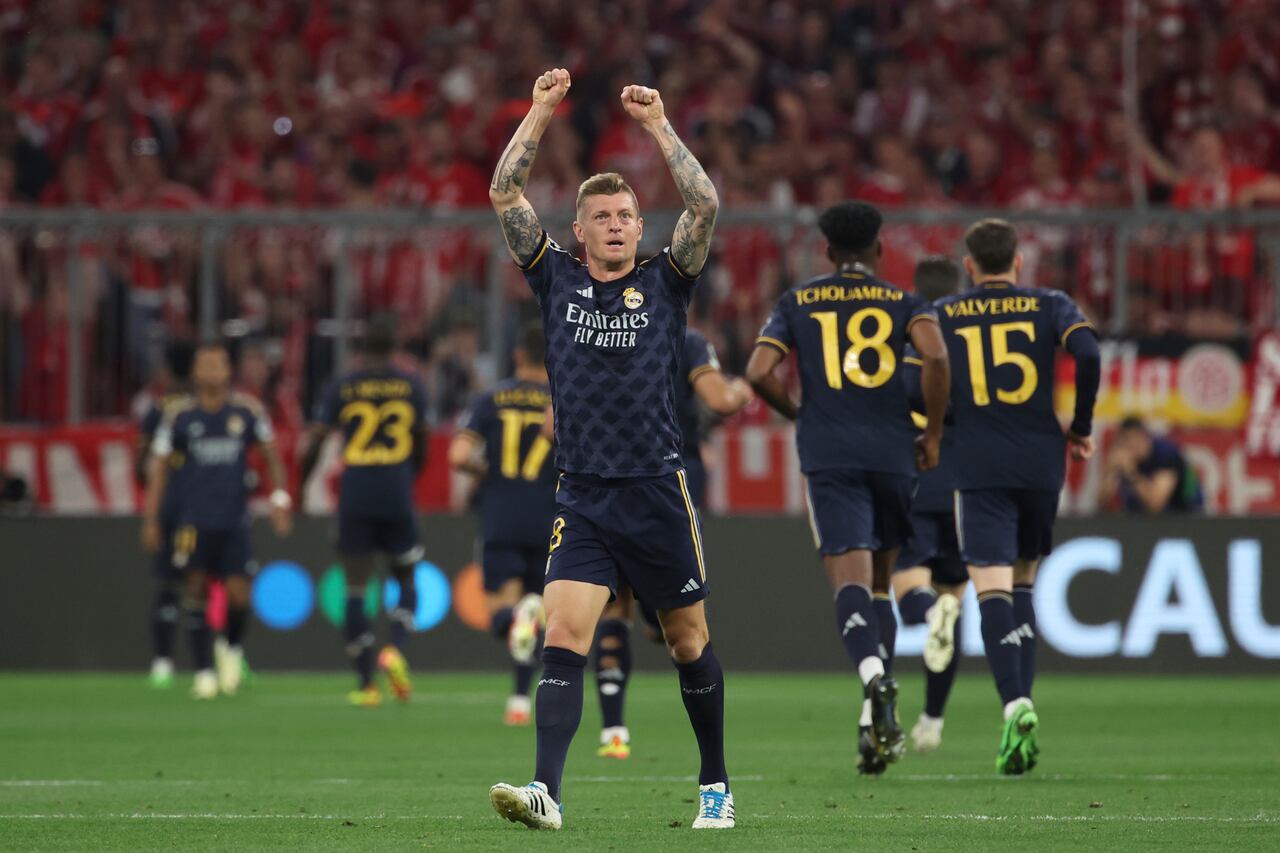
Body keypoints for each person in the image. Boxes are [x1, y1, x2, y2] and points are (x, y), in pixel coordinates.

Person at [486, 68, 733, 831]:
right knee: (563, 632)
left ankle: (716, 784)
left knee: (687, 640)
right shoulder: (552, 277)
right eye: (604, 216)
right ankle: (547, 793)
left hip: (657, 487)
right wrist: (539, 111)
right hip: (583, 493)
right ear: (582, 229)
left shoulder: (667, 282)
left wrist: (660, 127)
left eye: (628, 213)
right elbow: (504, 193)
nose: (621, 225)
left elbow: (705, 204)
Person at [746, 200, 950, 777]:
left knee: (848, 580)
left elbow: (759, 371)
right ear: (880, 249)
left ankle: (873, 680)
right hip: (893, 455)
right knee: (882, 583)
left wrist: (797, 414)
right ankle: (872, 728)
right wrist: (931, 432)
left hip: (831, 455)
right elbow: (935, 356)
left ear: (829, 253)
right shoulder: (905, 302)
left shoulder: (798, 301)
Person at [934, 219, 1101, 775]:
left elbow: (920, 378)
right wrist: (1080, 425)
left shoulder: (946, 314)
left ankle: (1015, 702)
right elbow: (1091, 353)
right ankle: (1023, 713)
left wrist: (940, 423)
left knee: (991, 588)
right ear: (1019, 262)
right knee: (1024, 578)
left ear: (969, 266)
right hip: (1040, 462)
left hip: (979, 464)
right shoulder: (1051, 303)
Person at [593, 326, 753, 761]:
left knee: (613, 606)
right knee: (670, 623)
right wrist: (744, 388)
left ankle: (613, 729)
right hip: (666, 482)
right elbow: (720, 399)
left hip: (601, 481)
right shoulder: (685, 338)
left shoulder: (592, 329)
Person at [142, 342, 292, 699]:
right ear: (195, 373)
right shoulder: (179, 416)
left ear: (228, 372)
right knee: (194, 590)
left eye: (218, 365)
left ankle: (231, 648)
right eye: (205, 365)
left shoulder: (248, 412)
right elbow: (160, 469)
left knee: (240, 596)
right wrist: (151, 519)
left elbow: (272, 457)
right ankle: (204, 672)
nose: (212, 371)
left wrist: (279, 499)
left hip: (234, 519)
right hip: (192, 520)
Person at [299, 315, 430, 707]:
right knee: (405, 577)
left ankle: (366, 683)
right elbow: (421, 443)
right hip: (394, 487)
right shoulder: (411, 385)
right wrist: (406, 477)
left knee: (356, 584)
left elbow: (317, 441)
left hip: (356, 489)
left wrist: (300, 484)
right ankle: (396, 646)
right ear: (393, 351)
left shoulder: (343, 384)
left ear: (360, 350)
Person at [448, 322, 557, 727]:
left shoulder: (490, 398)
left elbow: (457, 456)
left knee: (505, 617)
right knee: (536, 612)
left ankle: (516, 689)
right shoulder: (560, 398)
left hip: (502, 513)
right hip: (550, 512)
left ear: (516, 355)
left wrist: (482, 471)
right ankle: (518, 699)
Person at [891, 257, 966, 755]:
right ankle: (933, 720)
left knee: (907, 590)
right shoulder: (975, 340)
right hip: (969, 486)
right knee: (953, 604)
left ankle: (928, 609)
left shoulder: (911, 341)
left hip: (917, 475)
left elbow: (897, 400)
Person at [136, 339, 195, 689]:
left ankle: (162, 662)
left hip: (170, 504)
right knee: (208, 584)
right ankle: (221, 655)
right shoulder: (204, 407)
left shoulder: (158, 409)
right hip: (204, 507)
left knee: (168, 587)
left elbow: (141, 462)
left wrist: (153, 510)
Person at [1100, 416, 1204, 514]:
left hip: (1183, 516)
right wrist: (1111, 471)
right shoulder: (1125, 458)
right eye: (1122, 442)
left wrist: (1131, 472)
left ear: (1143, 437)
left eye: (1130, 440)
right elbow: (1101, 502)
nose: (1127, 446)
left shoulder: (1166, 454)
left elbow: (1155, 505)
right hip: (1141, 520)